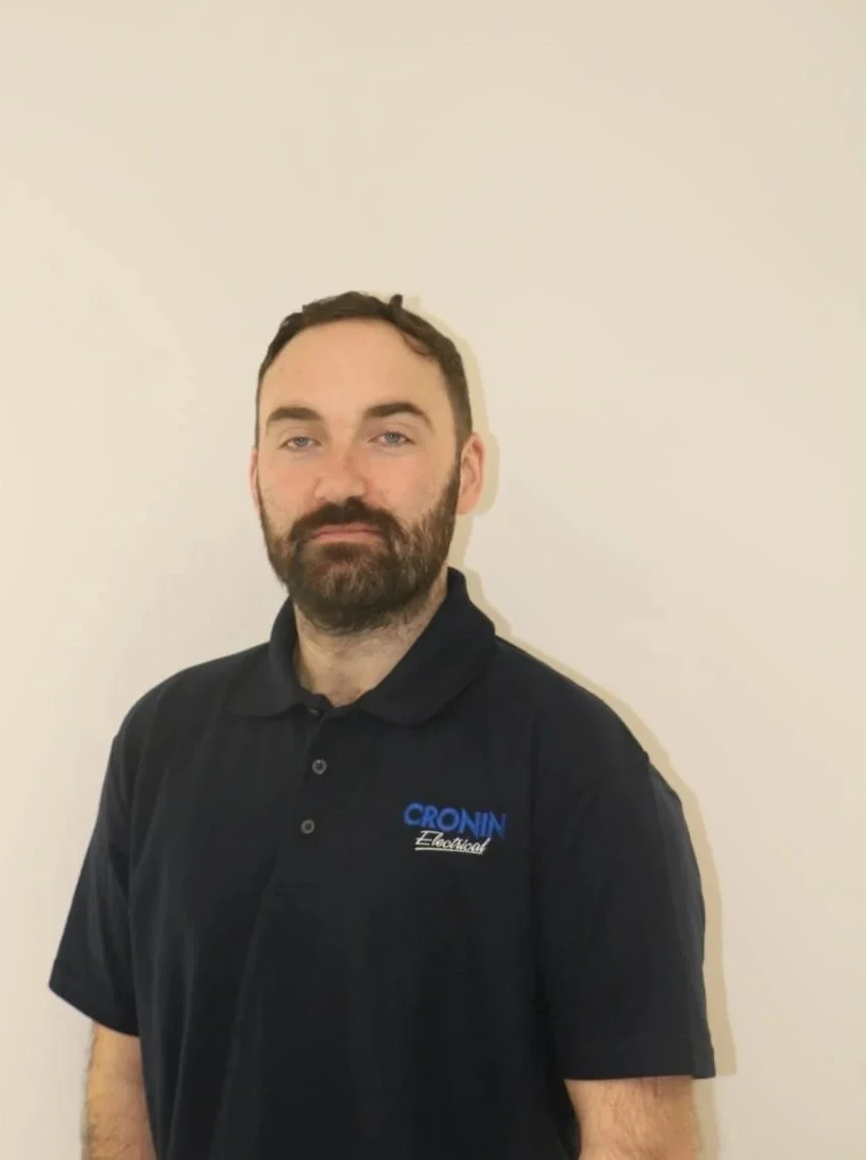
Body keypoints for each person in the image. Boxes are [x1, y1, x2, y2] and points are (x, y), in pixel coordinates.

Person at [48, 291, 716, 1160]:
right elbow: (122, 1067)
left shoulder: (580, 766)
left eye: (390, 435)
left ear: (468, 471)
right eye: (300, 439)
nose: (340, 481)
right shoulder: (161, 740)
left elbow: (640, 1141)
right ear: (256, 474)